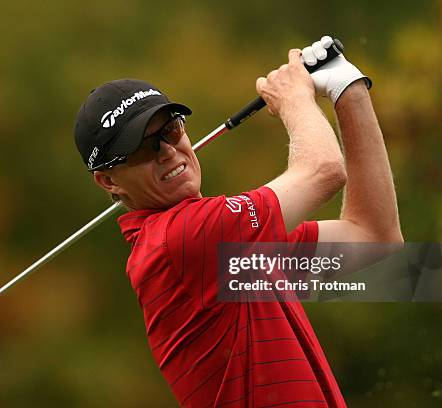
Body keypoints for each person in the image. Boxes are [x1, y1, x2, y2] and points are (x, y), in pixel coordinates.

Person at [73, 38, 402, 407]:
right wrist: (293, 97)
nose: (167, 151)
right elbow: (323, 170)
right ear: (109, 180)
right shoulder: (181, 239)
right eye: (141, 148)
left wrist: (348, 90)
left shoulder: (230, 247)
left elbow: (373, 235)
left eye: (170, 130)